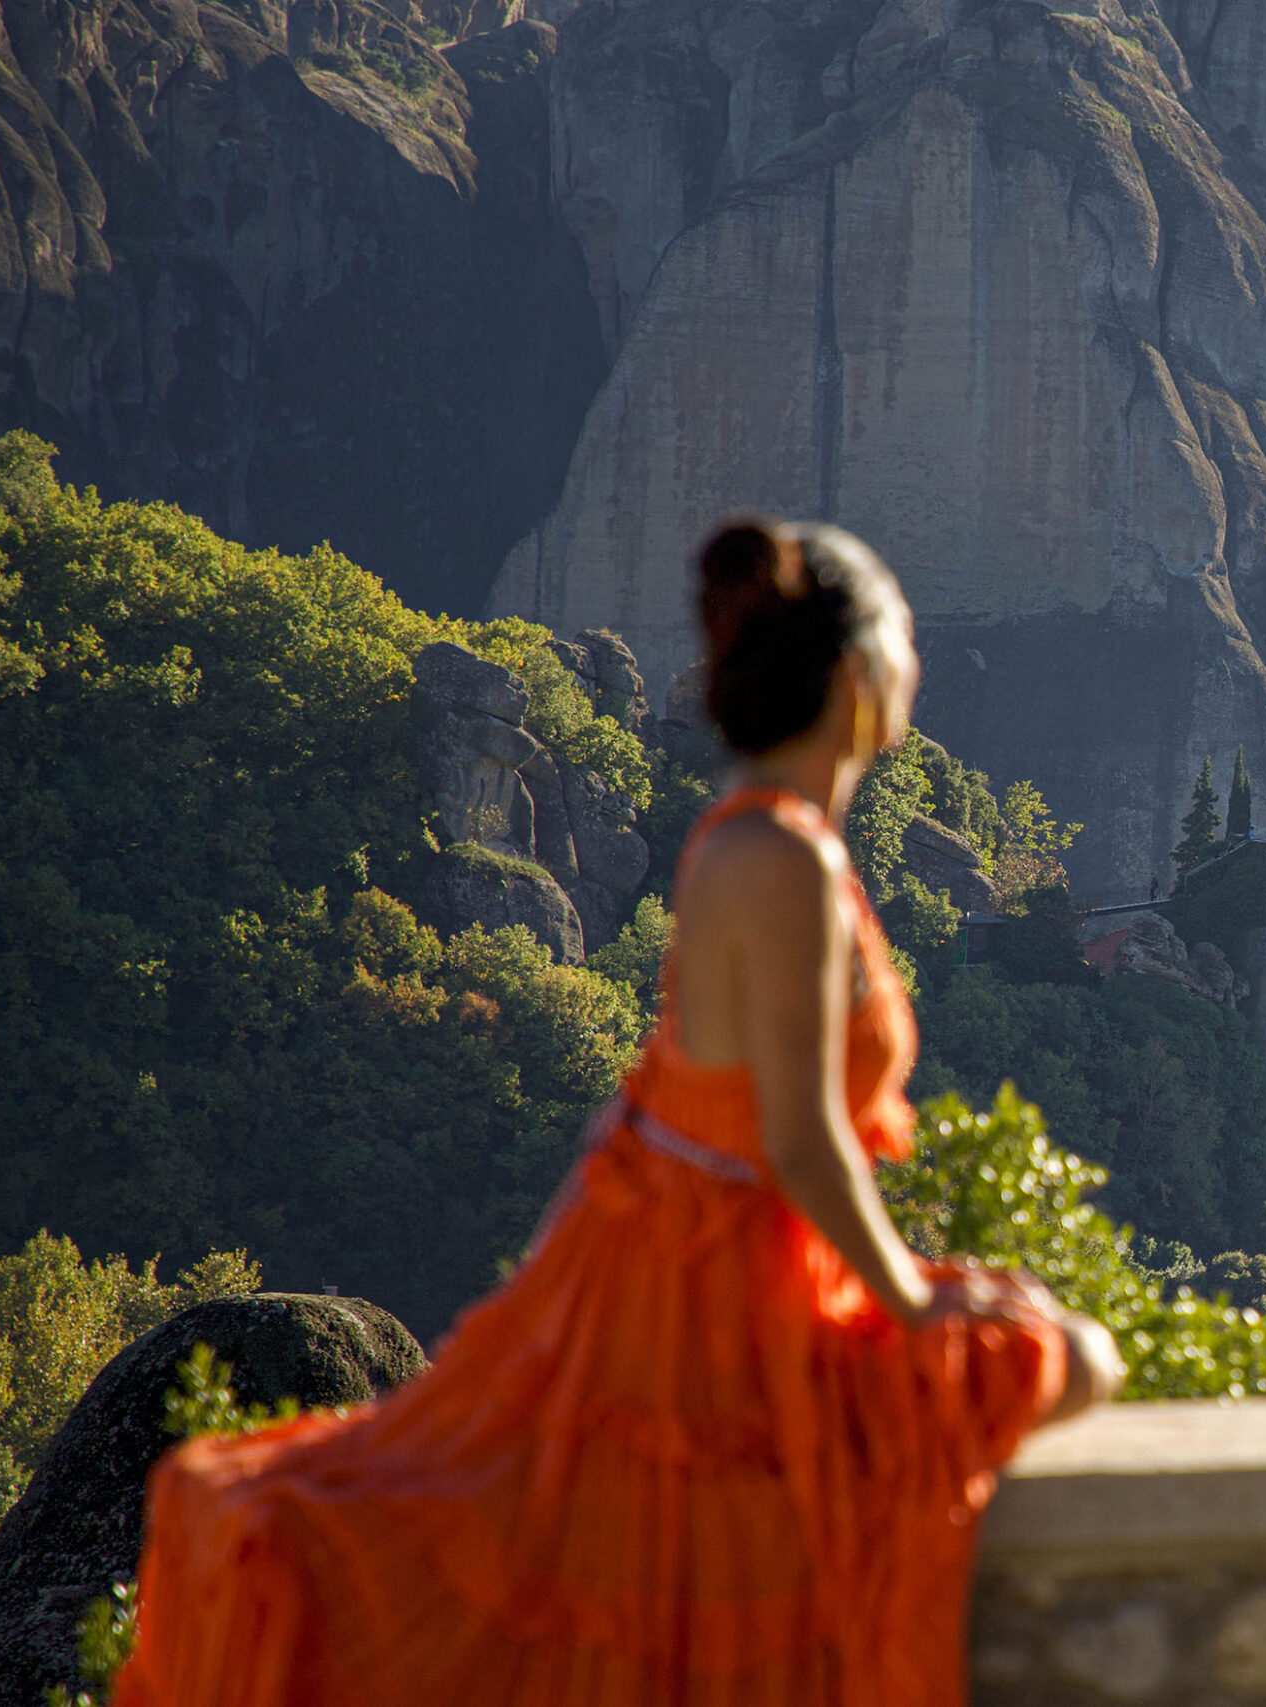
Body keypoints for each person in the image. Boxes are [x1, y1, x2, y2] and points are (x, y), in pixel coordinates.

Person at [113, 519, 1125, 1707]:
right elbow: (800, 1143)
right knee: (1059, 1360)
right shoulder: (781, 860)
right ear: (857, 676)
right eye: (906, 640)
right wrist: (914, 1301)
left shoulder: (771, 843)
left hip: (695, 1252)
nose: (917, 666)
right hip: (712, 1286)